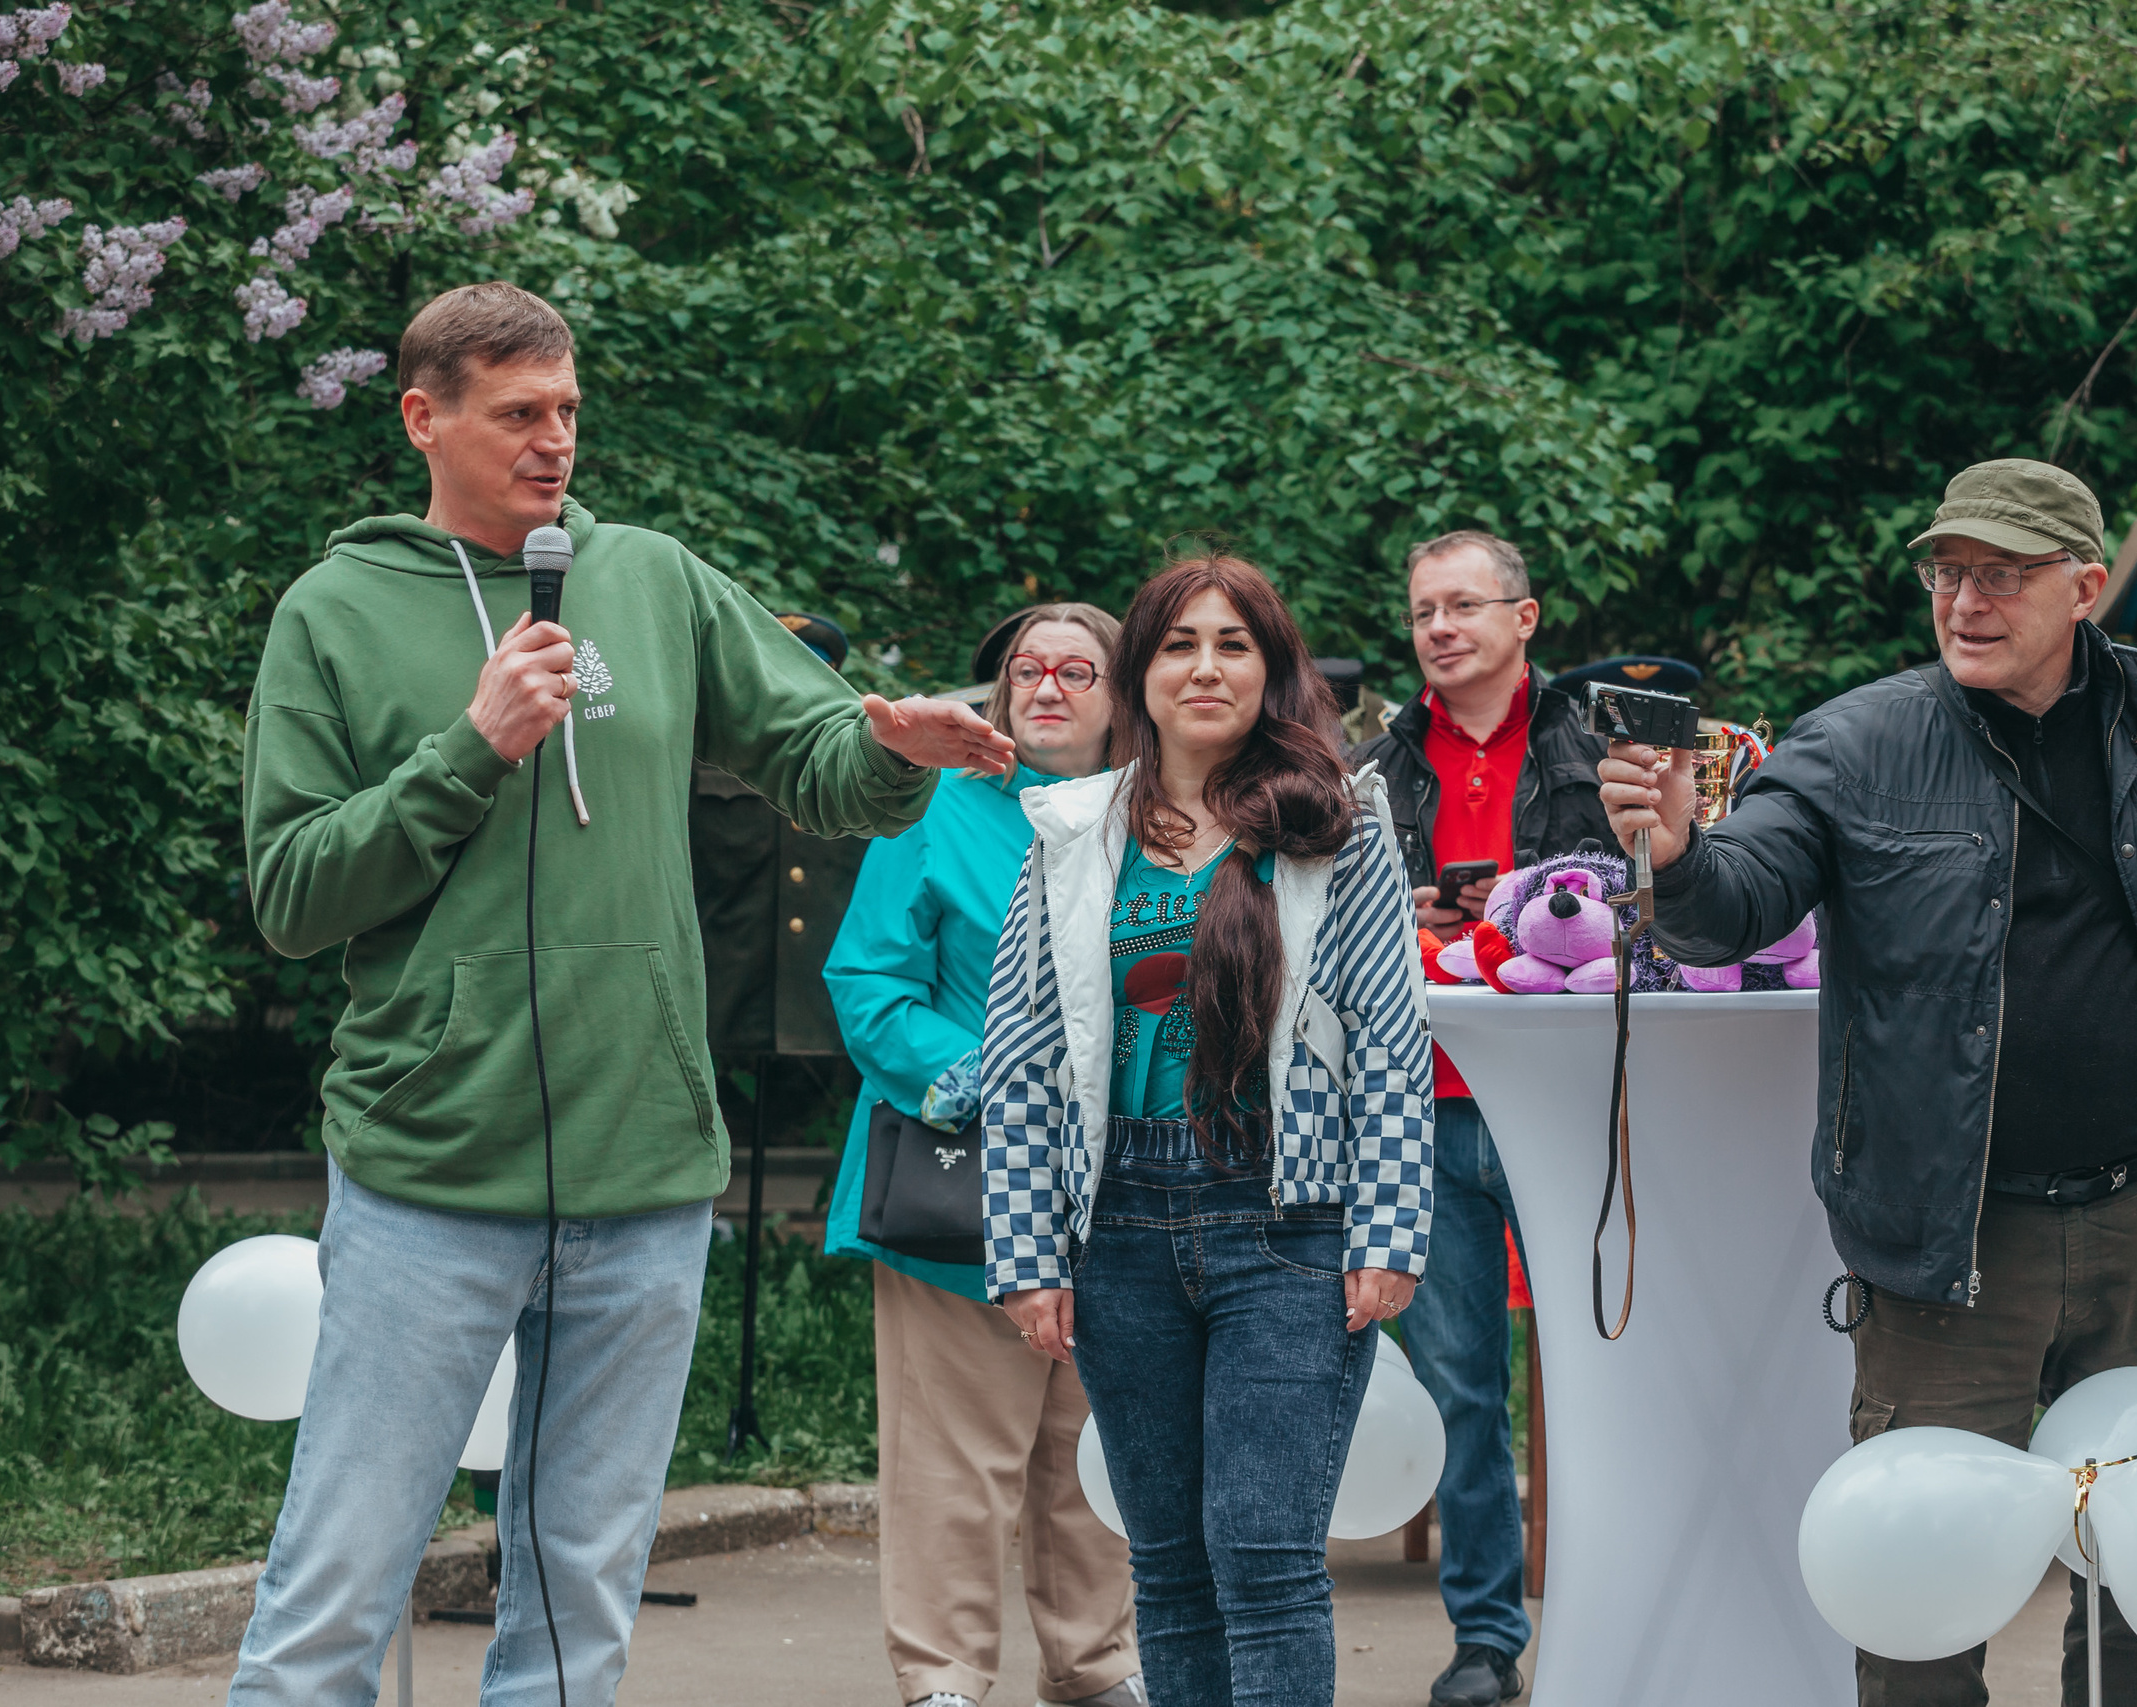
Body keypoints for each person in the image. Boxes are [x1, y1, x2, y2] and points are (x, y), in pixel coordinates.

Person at [232, 280, 1012, 1705]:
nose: (556, 442)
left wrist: (898, 746)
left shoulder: (652, 578)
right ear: (426, 418)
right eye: (520, 412)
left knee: (579, 1596)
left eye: (570, 410)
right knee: (338, 1583)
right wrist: (466, 749)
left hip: (643, 1167)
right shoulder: (333, 612)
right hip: (429, 1170)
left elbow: (823, 764)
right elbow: (292, 894)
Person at [1597, 458, 2137, 1707]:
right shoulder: (1860, 740)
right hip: (1946, 1227)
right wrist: (1676, 853)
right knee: (1918, 1587)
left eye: (2004, 576)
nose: (1966, 602)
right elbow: (1734, 907)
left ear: (2085, 586)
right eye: (1949, 573)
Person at [985, 554, 1433, 1707]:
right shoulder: (1072, 831)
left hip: (1287, 1219)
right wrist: (1027, 1251)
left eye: (1234, 643)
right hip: (1118, 1226)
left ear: (1272, 671)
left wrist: (1389, 1231)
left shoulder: (1341, 826)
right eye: (1181, 642)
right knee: (1170, 1564)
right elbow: (1026, 1052)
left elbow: (1390, 1039)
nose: (1205, 666)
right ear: (1141, 671)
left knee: (1264, 1555)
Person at [822, 603, 1145, 1707]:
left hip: (1123, 1192)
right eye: (1024, 671)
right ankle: (945, 1680)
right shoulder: (934, 810)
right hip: (958, 1191)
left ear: (1121, 696)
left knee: (1098, 1457)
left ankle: (1096, 1667)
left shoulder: (1162, 823)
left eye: (1075, 670)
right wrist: (992, 1080)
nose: (1046, 687)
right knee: (952, 1469)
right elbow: (867, 983)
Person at [1350, 530, 1620, 1707]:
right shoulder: (1369, 766)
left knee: (1609, 1368)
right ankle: (1486, 1641)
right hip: (1421, 1101)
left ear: (1526, 617)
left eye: (1464, 606)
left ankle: (1620, 1611)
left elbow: (1663, 887)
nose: (1441, 629)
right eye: (1423, 613)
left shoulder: (1603, 741)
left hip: (1564, 1101)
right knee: (1463, 1384)